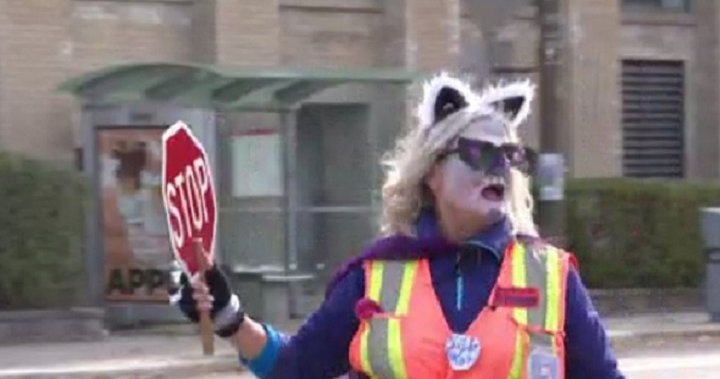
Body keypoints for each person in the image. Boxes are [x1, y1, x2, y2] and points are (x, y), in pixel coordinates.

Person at [171, 73, 626, 379]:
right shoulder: (377, 275)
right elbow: (296, 367)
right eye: (479, 154)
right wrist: (229, 317)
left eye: (509, 157)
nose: (500, 169)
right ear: (432, 172)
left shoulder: (552, 277)